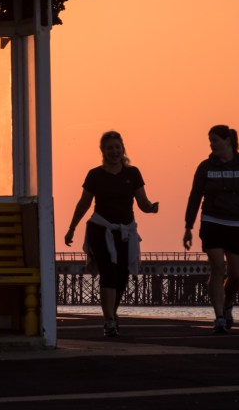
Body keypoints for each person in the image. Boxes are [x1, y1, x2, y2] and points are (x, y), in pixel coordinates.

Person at [65, 131, 159, 336]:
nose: (114, 151)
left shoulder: (132, 173)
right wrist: (72, 228)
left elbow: (142, 202)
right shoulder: (95, 175)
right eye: (110, 148)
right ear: (103, 151)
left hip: (125, 231)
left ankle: (112, 314)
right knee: (108, 272)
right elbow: (84, 204)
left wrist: (151, 208)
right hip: (101, 229)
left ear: (123, 148)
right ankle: (108, 321)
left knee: (122, 276)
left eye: (117, 147)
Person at [183, 125, 239, 334]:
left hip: (237, 224)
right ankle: (219, 317)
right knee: (218, 268)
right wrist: (188, 226)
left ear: (228, 140)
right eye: (210, 141)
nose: (212, 145)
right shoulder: (205, 167)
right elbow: (194, 197)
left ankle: (228, 306)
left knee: (236, 274)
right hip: (212, 221)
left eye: (215, 140)